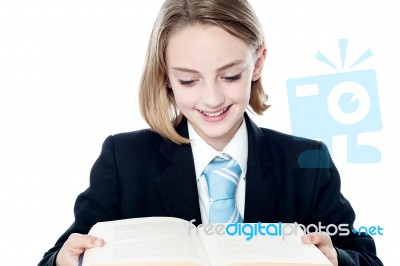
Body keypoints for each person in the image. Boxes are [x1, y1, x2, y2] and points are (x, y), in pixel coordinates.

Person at [38, 0, 383, 265]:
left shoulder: (307, 163)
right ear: (166, 77)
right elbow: (61, 254)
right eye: (188, 80)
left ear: (258, 64)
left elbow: (366, 258)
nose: (212, 98)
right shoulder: (124, 160)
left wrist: (336, 258)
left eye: (230, 76)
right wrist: (66, 259)